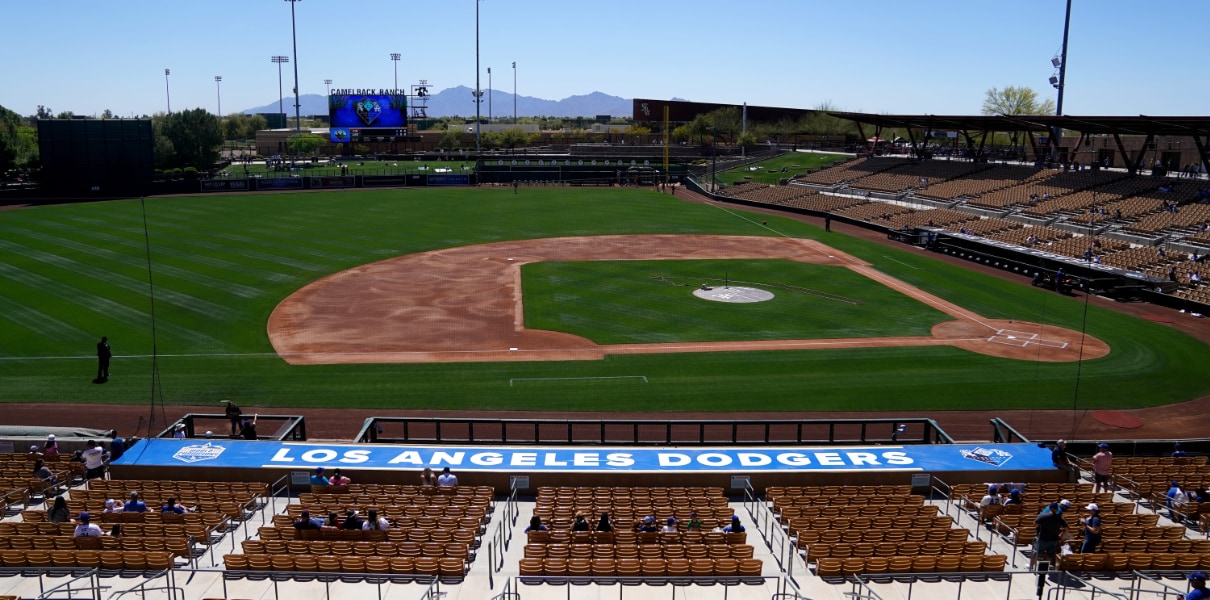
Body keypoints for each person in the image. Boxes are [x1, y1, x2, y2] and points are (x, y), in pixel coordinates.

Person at [1032, 502, 1069, 568]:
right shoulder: (1060, 518)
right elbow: (1067, 529)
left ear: (1050, 508)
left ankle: (1031, 566)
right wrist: (1061, 536)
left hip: (1043, 539)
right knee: (1050, 555)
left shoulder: (1043, 516)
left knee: (1036, 553)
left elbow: (1035, 524)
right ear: (1057, 509)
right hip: (1054, 540)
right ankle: (1045, 568)